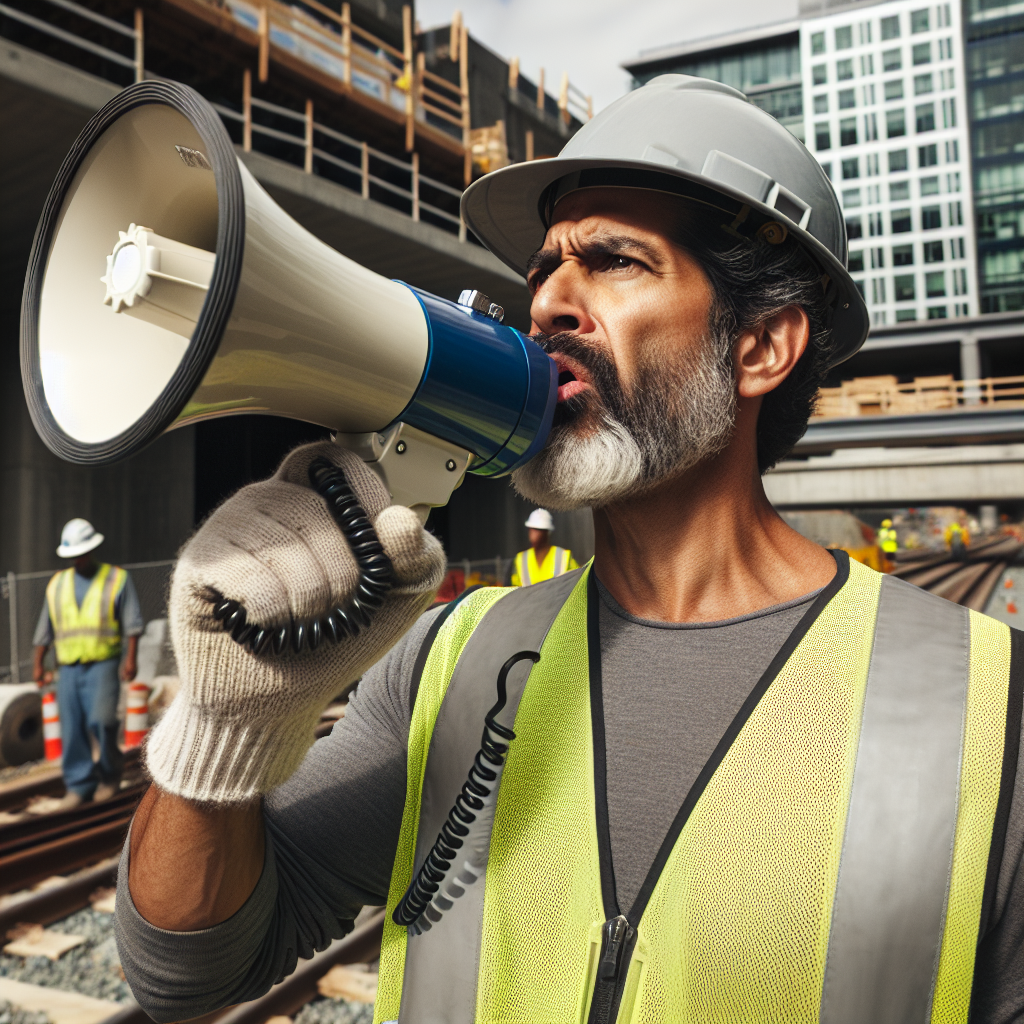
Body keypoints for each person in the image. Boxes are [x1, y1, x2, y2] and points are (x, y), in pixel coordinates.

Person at [116, 76, 1023, 1023]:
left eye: (615, 260)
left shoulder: (989, 709)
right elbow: (188, 972)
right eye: (546, 268)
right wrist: (223, 727)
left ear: (761, 346)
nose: (547, 301)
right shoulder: (448, 665)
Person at [33, 519, 144, 808]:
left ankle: (109, 776)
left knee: (102, 721)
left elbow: (132, 623)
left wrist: (131, 659)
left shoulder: (116, 578)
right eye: (72, 556)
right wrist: (37, 663)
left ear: (92, 549)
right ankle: (79, 784)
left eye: (81, 554)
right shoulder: (57, 584)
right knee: (72, 728)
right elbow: (45, 629)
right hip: (68, 667)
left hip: (103, 663)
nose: (77, 560)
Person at [510, 508, 578, 586]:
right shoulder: (521, 559)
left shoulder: (564, 556)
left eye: (537, 529)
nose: (532, 533)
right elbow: (515, 588)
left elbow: (576, 582)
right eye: (531, 529)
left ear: (546, 532)